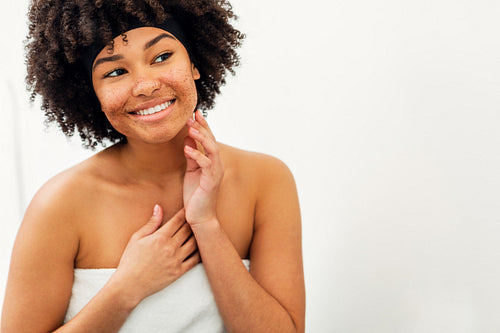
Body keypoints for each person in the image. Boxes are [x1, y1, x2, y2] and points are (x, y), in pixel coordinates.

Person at [1, 0, 305, 332]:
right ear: (93, 95)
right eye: (115, 71)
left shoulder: (266, 181)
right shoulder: (60, 205)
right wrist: (126, 289)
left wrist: (206, 225)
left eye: (161, 57)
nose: (146, 85)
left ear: (194, 63)